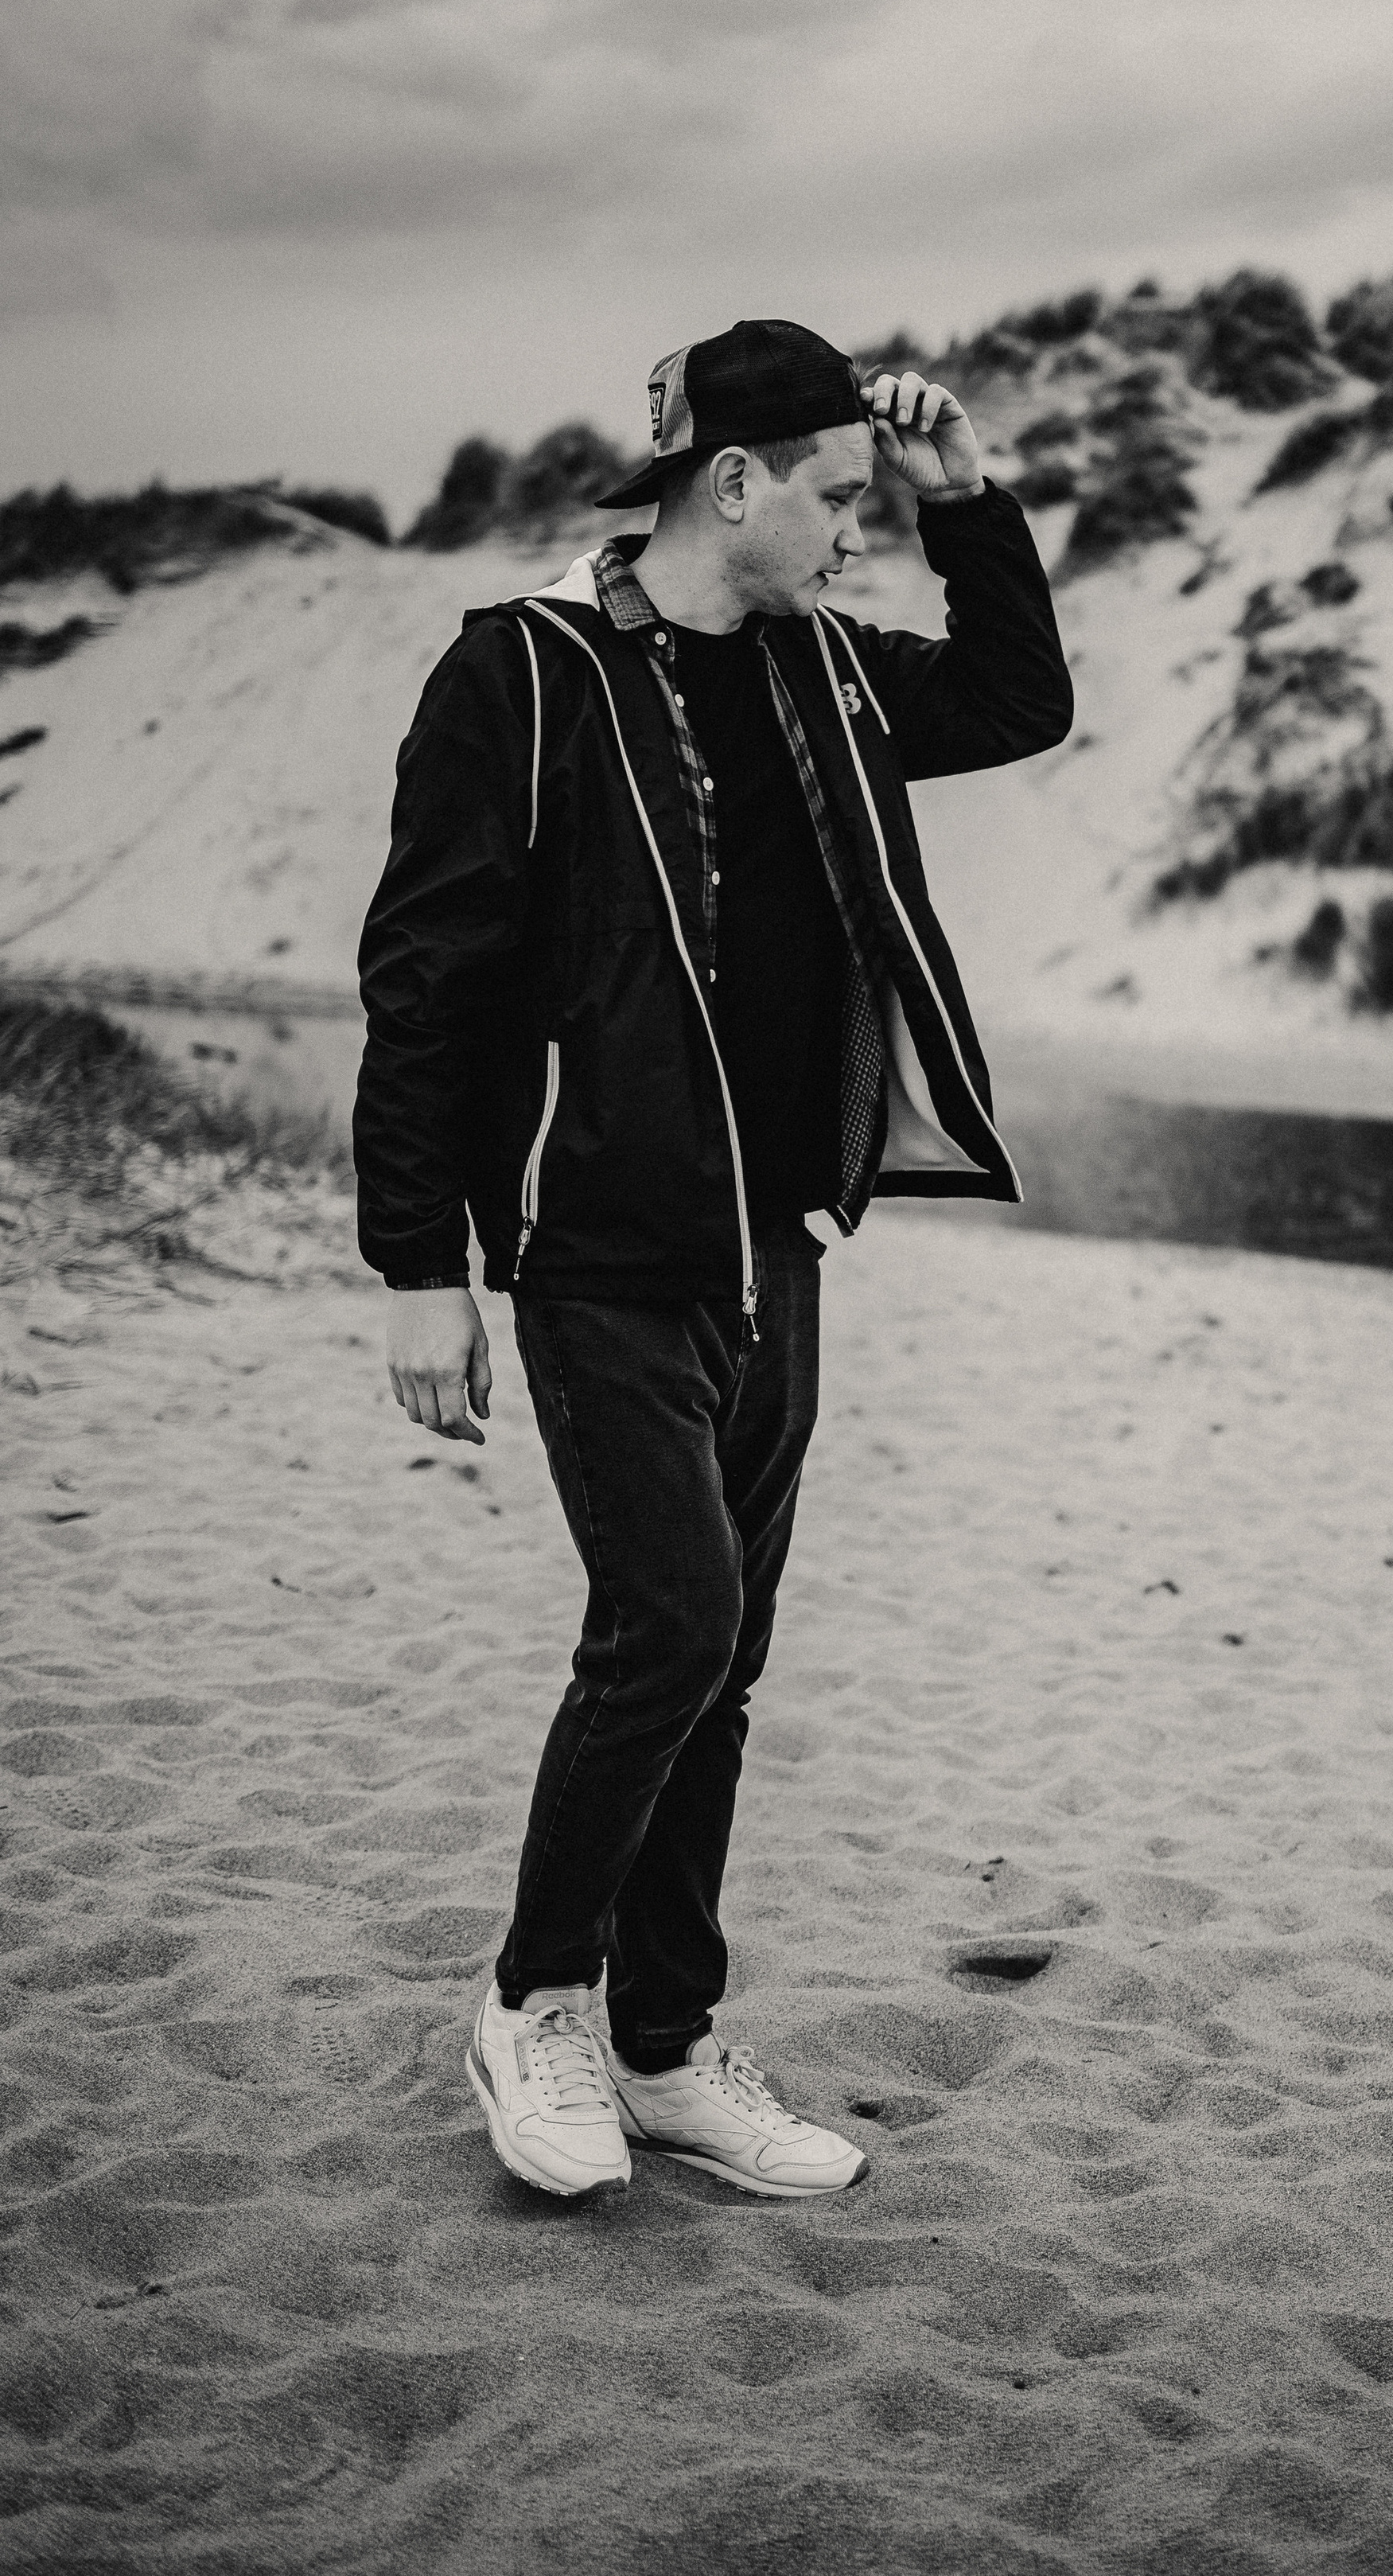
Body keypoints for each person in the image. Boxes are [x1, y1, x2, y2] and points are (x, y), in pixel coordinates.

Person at [355, 319, 1072, 2201]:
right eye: (834, 497)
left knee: (724, 1658)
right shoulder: (522, 675)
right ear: (727, 481)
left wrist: (965, 500)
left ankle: (666, 2047)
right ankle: (533, 2004)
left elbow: (1019, 698)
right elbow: (423, 984)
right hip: (591, 1244)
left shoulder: (827, 675)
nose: (856, 531)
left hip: (780, 1240)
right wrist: (418, 1260)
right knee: (665, 1623)